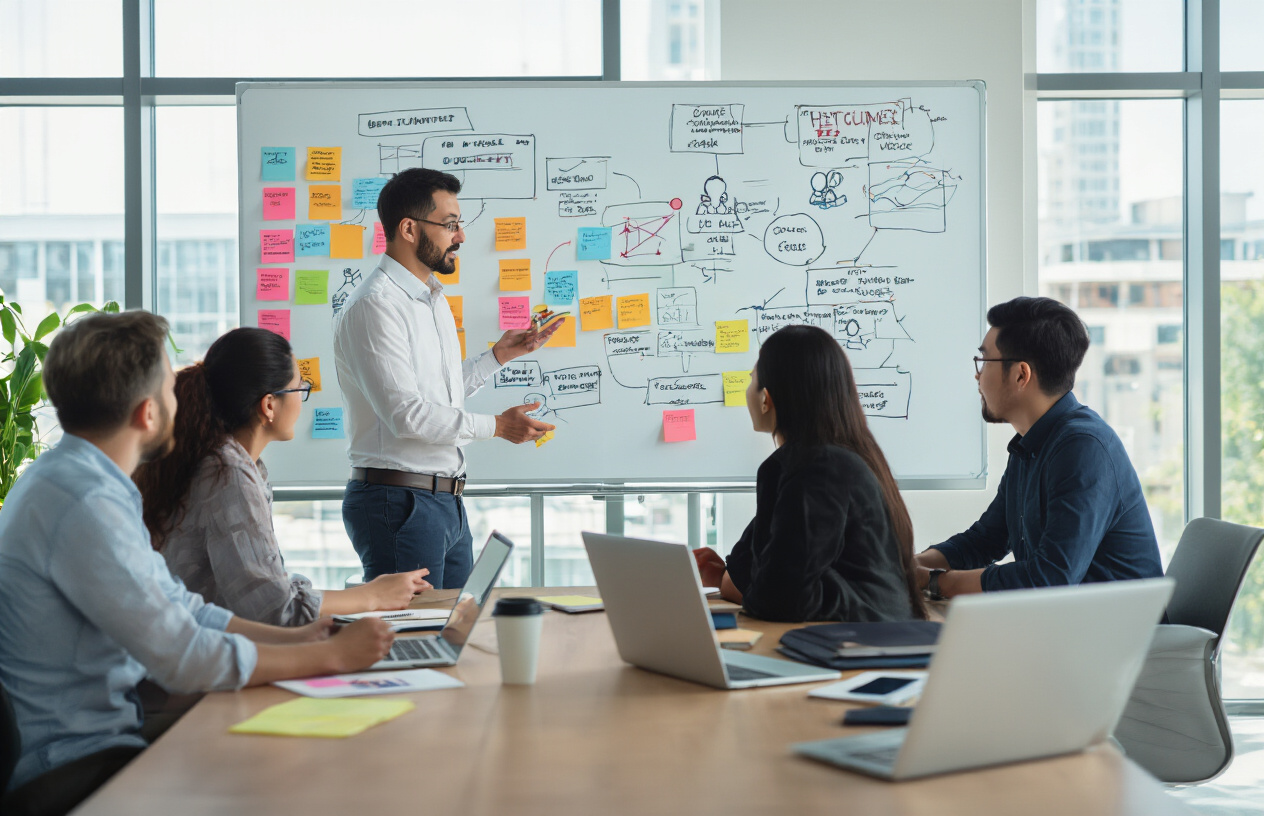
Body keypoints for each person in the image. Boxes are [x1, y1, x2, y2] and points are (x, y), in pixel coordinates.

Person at [0, 311, 395, 802]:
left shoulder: (73, 480)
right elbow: (183, 656)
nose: (183, 396)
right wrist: (328, 655)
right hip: (78, 764)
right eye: (169, 387)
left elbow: (184, 609)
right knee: (302, 779)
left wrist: (299, 639)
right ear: (147, 413)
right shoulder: (85, 503)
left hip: (101, 740)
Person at [334, 168, 562, 588]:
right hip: (399, 502)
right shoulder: (376, 307)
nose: (460, 237)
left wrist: (500, 355)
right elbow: (407, 415)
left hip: (444, 501)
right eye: (451, 225)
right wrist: (497, 426)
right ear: (408, 228)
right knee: (413, 637)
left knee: (451, 631)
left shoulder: (431, 298)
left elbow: (440, 393)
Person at [133, 327, 432, 627]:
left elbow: (268, 590)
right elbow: (276, 611)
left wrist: (372, 593)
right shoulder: (228, 473)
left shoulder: (230, 462)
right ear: (269, 405)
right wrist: (372, 596)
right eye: (300, 389)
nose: (303, 400)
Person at [914, 296, 1163, 599]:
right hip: (1063, 625)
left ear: (1021, 374)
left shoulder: (1083, 448)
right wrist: (910, 568)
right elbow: (985, 540)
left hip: (1116, 637)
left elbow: (1050, 577)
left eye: (984, 361)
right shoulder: (1030, 444)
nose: (977, 376)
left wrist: (935, 582)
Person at [692, 325, 925, 622]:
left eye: (751, 381)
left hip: (855, 648)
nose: (747, 391)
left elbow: (774, 595)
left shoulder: (817, 470)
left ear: (766, 398)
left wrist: (733, 578)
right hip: (859, 640)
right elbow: (753, 568)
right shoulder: (836, 460)